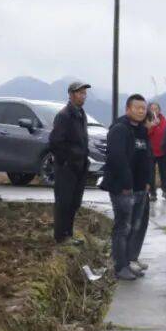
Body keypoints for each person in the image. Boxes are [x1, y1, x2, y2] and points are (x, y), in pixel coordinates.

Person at [102, 94, 151, 281]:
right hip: (123, 188)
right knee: (123, 227)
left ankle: (129, 261)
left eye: (143, 108)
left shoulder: (142, 130)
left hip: (140, 188)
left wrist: (147, 182)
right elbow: (117, 158)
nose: (141, 111)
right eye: (137, 108)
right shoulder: (119, 129)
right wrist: (126, 184)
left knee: (135, 227)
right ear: (128, 109)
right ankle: (120, 266)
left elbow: (147, 157)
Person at [48, 81, 92, 246]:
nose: (83, 96)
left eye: (84, 93)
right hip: (67, 167)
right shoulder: (64, 115)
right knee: (64, 202)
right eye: (80, 93)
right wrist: (66, 160)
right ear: (71, 94)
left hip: (80, 166)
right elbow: (55, 142)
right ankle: (61, 237)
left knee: (74, 202)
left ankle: (69, 234)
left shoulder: (81, 114)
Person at [147, 102, 166, 201]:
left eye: (156, 109)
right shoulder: (147, 120)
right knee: (151, 173)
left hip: (163, 151)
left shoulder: (164, 121)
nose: (154, 111)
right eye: (152, 109)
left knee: (164, 172)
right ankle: (152, 193)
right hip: (150, 151)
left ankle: (165, 191)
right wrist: (152, 125)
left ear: (159, 110)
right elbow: (146, 133)